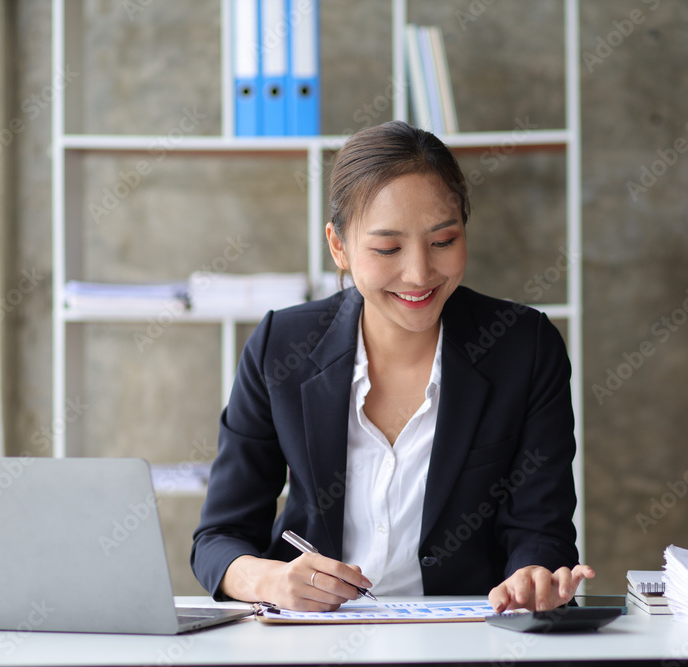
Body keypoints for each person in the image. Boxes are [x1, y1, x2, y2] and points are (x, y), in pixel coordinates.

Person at [191, 120, 593, 613]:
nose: (420, 273)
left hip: (464, 641)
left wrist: (533, 576)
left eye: (443, 241)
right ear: (338, 246)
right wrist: (270, 580)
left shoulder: (524, 347)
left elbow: (541, 530)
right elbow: (219, 538)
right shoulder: (282, 346)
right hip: (314, 641)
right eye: (387, 249)